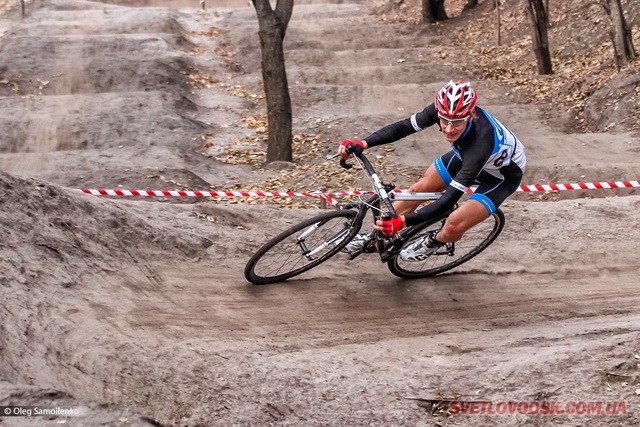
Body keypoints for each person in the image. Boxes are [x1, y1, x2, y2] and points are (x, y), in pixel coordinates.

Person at [338, 80, 526, 261]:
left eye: (457, 122)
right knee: (416, 191)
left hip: (500, 177)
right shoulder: (440, 110)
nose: (449, 129)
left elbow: (448, 199)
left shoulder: (481, 142)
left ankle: (434, 241)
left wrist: (403, 222)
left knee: (453, 225)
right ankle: (373, 235)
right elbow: (403, 127)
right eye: (444, 120)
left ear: (470, 116)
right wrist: (364, 142)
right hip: (466, 157)